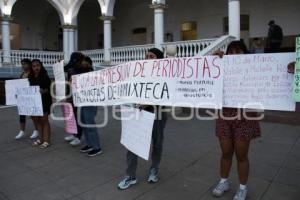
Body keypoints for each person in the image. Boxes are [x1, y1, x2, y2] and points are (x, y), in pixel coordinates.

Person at [212, 41, 261, 200]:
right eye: (230, 52)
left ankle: (242, 188)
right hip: (225, 115)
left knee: (241, 155)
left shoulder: (254, 68)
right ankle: (224, 181)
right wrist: (214, 62)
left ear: (245, 54)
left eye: (238, 52)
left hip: (245, 116)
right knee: (226, 152)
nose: (234, 55)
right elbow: (208, 78)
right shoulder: (222, 67)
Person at [118, 48, 168, 190]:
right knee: (132, 144)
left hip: (158, 113)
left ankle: (154, 170)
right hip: (138, 113)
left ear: (158, 59)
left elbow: (168, 94)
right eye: (146, 56)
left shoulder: (165, 75)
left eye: (151, 56)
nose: (147, 58)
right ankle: (130, 176)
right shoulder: (137, 73)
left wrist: (150, 103)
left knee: (157, 144)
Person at [77, 56, 102, 157]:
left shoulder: (93, 74)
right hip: (83, 101)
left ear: (88, 63)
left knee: (90, 124)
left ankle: (97, 147)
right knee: (84, 123)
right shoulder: (81, 73)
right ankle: (89, 144)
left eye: (84, 63)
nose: (82, 64)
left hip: (90, 102)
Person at [29, 59, 52, 148]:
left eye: (37, 65)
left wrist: (43, 91)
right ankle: (40, 139)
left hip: (44, 101)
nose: (36, 68)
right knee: (37, 121)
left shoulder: (45, 76)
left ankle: (47, 141)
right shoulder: (31, 77)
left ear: (41, 66)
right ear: (32, 67)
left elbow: (49, 89)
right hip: (34, 102)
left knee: (44, 121)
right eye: (34, 66)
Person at [64, 52, 85, 146]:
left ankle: (78, 137)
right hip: (70, 95)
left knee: (77, 117)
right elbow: (62, 69)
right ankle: (73, 134)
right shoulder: (70, 68)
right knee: (71, 116)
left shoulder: (84, 69)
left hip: (79, 97)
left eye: (77, 62)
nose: (76, 64)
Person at [15, 58, 39, 140]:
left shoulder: (32, 74)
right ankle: (22, 131)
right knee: (22, 114)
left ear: (29, 65)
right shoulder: (22, 74)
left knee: (33, 114)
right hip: (23, 97)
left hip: (31, 97)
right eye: (22, 64)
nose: (23, 66)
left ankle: (36, 130)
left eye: (25, 64)